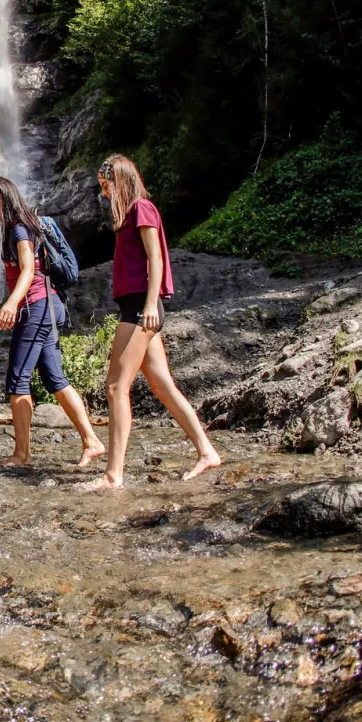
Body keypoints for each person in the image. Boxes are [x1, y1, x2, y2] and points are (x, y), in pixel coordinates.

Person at [83, 154, 221, 489]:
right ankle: (207, 451)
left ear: (122, 181)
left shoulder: (141, 208)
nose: (104, 195)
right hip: (138, 305)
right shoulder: (130, 213)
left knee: (116, 387)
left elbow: (156, 256)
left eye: (107, 187)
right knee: (161, 384)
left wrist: (149, 305)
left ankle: (114, 474)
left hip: (141, 308)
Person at [0, 176, 107, 468]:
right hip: (48, 306)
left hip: (36, 306)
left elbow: (27, 270)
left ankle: (22, 454)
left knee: (17, 379)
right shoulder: (24, 224)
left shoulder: (19, 228)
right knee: (54, 378)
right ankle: (93, 441)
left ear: (2, 197)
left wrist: (11, 303)